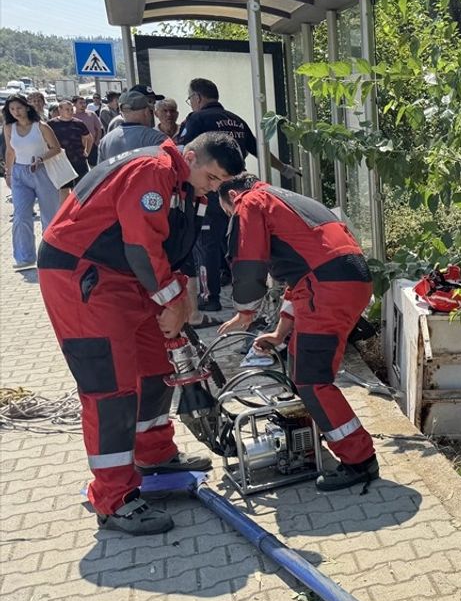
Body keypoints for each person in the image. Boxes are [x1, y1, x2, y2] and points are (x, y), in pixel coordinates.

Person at [37, 133, 245, 535]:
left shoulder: (186, 186)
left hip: (127, 277)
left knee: (155, 367)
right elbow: (141, 245)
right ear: (190, 157)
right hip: (85, 274)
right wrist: (172, 299)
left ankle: (154, 454)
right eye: (212, 176)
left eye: (221, 182)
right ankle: (114, 499)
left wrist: (180, 295)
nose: (215, 187)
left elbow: (177, 249)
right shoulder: (153, 171)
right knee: (111, 388)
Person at [216, 173, 378, 491]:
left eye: (226, 212)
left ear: (233, 195)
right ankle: (312, 433)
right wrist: (279, 333)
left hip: (328, 288)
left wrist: (245, 312)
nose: (231, 217)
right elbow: (300, 282)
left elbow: (249, 261)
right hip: (345, 281)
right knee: (297, 362)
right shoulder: (290, 200)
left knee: (312, 380)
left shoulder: (250, 202)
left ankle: (359, 460)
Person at [177, 78, 297, 313]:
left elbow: (183, 150)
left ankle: (210, 296)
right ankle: (238, 286)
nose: (191, 103)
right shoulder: (236, 120)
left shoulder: (197, 119)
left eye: (190, 99)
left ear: (198, 98)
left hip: (210, 185)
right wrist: (283, 168)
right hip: (238, 188)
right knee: (234, 238)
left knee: (205, 243)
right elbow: (258, 148)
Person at [3, 94, 63, 271]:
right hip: (20, 173)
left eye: (19, 108)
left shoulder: (41, 127)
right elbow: (9, 151)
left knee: (49, 215)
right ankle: (25, 256)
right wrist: (8, 173)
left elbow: (56, 148)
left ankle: (52, 253)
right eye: (12, 109)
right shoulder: (9, 127)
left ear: (27, 107)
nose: (16, 112)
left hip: (42, 171)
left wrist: (41, 159)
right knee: (21, 215)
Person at [97, 89, 168, 160]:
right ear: (146, 112)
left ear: (122, 113)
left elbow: (101, 170)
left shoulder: (105, 142)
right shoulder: (156, 138)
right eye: (150, 111)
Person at [48, 101, 92, 197]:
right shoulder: (52, 124)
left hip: (78, 160)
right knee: (64, 190)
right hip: (61, 161)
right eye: (67, 109)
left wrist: (87, 152)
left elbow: (89, 138)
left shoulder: (78, 123)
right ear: (60, 110)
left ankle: (79, 211)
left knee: (80, 189)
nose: (70, 111)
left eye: (71, 109)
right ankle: (66, 211)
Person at [71, 96, 105, 165]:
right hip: (77, 147)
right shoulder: (71, 116)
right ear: (74, 104)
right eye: (80, 103)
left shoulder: (91, 114)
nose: (83, 105)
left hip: (92, 145)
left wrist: (97, 141)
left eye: (84, 103)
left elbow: (99, 129)